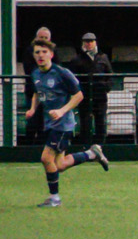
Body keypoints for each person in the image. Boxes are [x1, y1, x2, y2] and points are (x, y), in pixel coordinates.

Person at [23, 40, 108, 205]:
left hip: (63, 125)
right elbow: (37, 93)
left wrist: (62, 111)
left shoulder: (62, 73)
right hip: (50, 124)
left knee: (46, 158)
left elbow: (79, 95)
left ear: (51, 55)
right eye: (37, 52)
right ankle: (91, 154)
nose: (40, 55)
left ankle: (55, 198)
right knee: (59, 165)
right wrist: (33, 109)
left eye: (44, 52)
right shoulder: (36, 73)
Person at [72, 32, 112, 145]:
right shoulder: (77, 59)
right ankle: (85, 148)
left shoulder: (103, 57)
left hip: (100, 97)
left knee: (101, 123)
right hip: (84, 97)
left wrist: (105, 88)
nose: (89, 44)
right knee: (85, 124)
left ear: (95, 42)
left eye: (91, 41)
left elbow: (110, 75)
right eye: (86, 41)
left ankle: (100, 148)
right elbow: (73, 79)